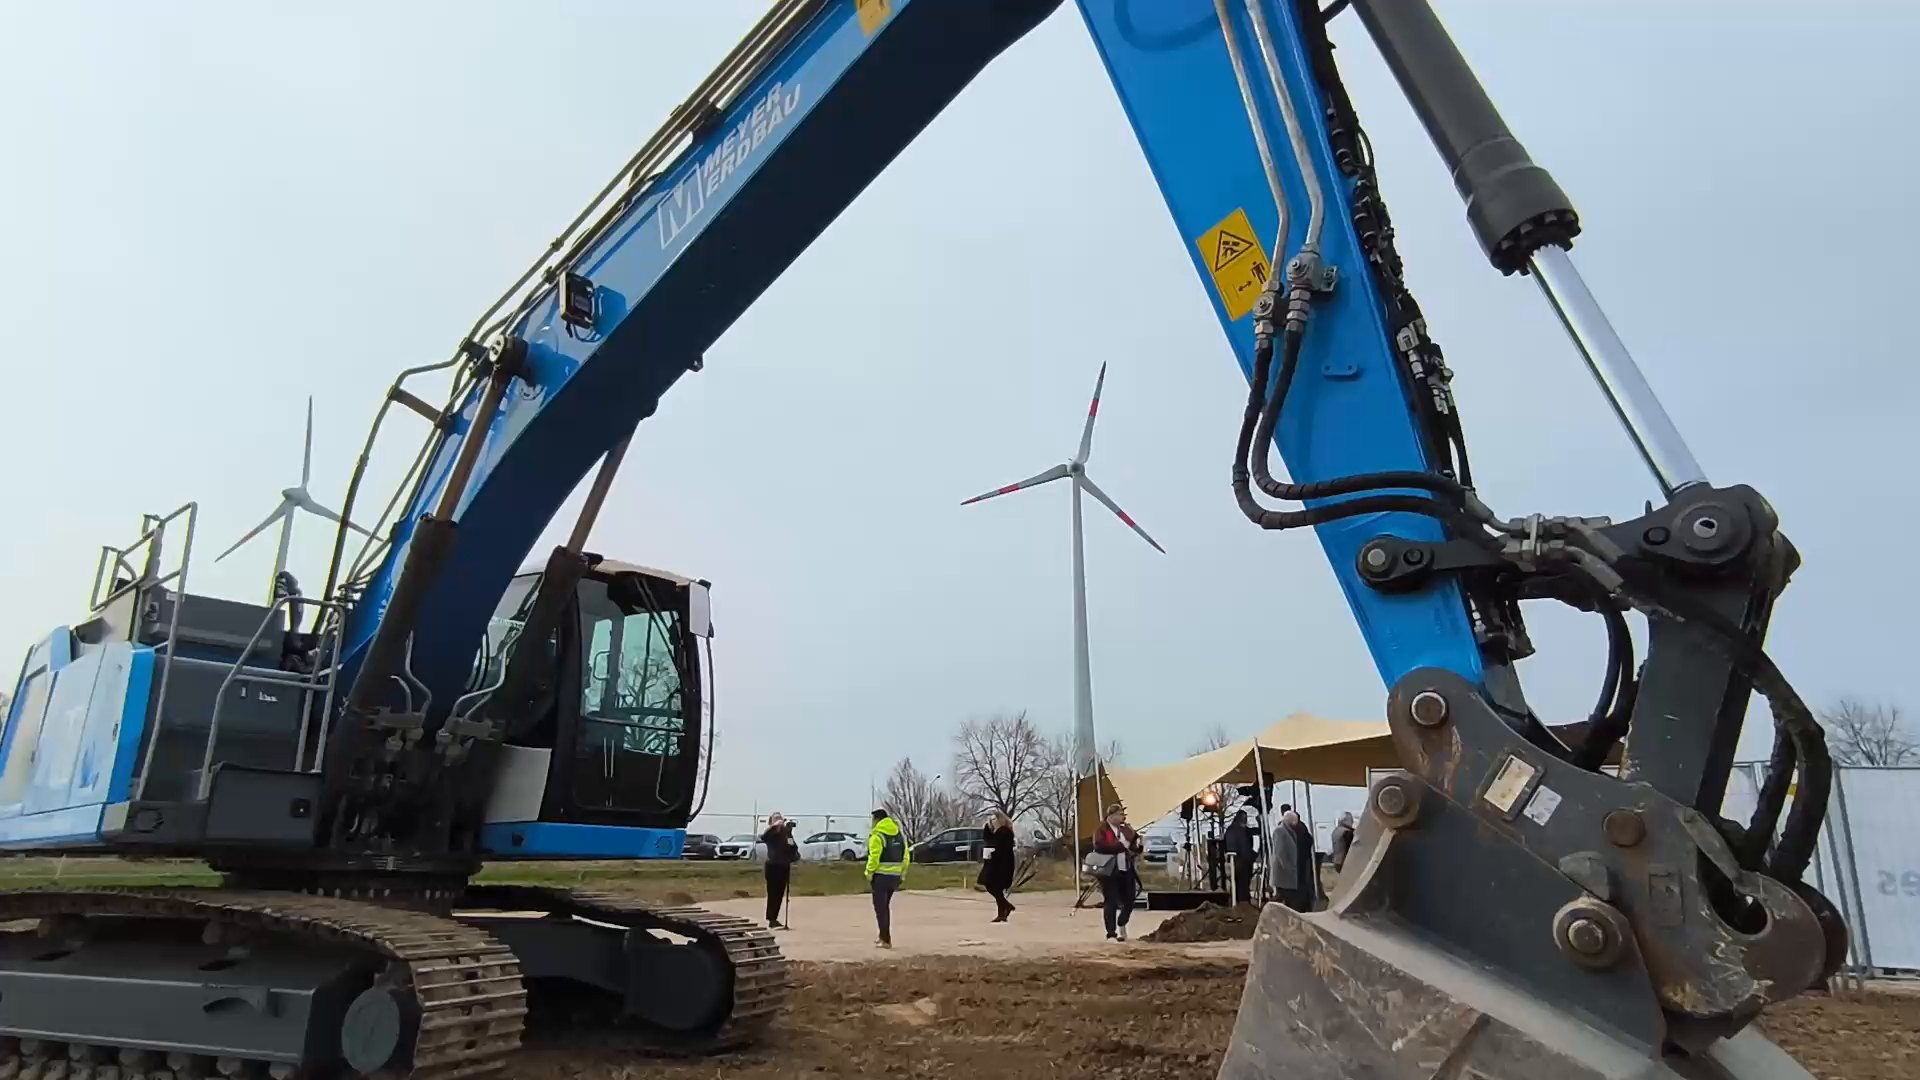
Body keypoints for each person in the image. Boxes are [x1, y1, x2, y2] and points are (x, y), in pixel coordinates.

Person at [1091, 803, 1144, 941]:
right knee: (1111, 901)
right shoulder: (1101, 829)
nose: (1123, 817)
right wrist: (1119, 847)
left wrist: (1139, 846)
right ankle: (1111, 933)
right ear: (1111, 815)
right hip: (1109, 870)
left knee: (1130, 899)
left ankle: (1122, 921)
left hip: (1126, 868)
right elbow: (1099, 846)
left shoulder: (1126, 830)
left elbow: (1132, 847)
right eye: (1120, 814)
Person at [865, 807, 910, 948]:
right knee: (885, 907)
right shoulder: (898, 834)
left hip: (880, 876)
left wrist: (868, 872)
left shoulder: (877, 835)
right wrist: (902, 873)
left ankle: (885, 939)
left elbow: (874, 857)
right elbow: (906, 855)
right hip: (895, 877)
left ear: (877, 820)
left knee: (880, 908)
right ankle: (882, 936)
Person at [759, 812, 799, 929]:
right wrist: (775, 826)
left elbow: (793, 847)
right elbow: (764, 837)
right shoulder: (771, 833)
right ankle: (771, 918)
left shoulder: (785, 833)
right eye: (776, 819)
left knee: (780, 893)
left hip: (784, 865)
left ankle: (774, 918)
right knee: (773, 893)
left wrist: (789, 832)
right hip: (772, 865)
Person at [978, 810, 1017, 922]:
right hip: (996, 862)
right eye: (991, 820)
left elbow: (1002, 847)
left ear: (1000, 819)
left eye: (994, 819)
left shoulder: (1004, 831)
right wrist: (986, 830)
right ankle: (1002, 913)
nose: (993, 822)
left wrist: (993, 853)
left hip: (1002, 863)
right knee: (997, 888)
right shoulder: (998, 831)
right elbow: (990, 841)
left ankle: (1006, 905)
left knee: (990, 884)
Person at [1221, 809, 1256, 906]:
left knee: (1236, 883)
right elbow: (1247, 846)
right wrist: (1252, 856)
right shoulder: (1243, 831)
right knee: (1244, 884)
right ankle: (1244, 903)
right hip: (1244, 861)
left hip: (1234, 861)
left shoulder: (1230, 830)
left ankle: (1236, 901)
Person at [1285, 808, 1318, 909]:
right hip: (1303, 858)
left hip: (1296, 859)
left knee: (1296, 885)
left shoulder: (1288, 829)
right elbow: (1309, 840)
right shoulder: (1302, 827)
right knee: (1303, 883)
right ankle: (1305, 905)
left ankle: (1298, 905)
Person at [1269, 811, 1301, 910]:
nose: (1296, 824)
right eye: (1295, 821)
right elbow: (1280, 852)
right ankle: (1270, 911)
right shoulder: (1280, 831)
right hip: (1283, 873)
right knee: (1282, 896)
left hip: (1288, 873)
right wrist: (1288, 868)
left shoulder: (1288, 831)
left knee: (1287, 897)